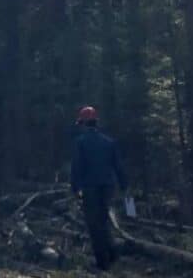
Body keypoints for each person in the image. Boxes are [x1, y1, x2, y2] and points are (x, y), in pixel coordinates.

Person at [71, 106, 127, 271]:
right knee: (103, 221)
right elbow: (118, 166)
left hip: (90, 188)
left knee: (94, 225)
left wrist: (75, 188)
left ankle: (102, 263)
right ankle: (112, 252)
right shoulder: (109, 142)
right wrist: (124, 185)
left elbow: (77, 167)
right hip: (107, 187)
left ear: (83, 123)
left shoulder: (80, 142)